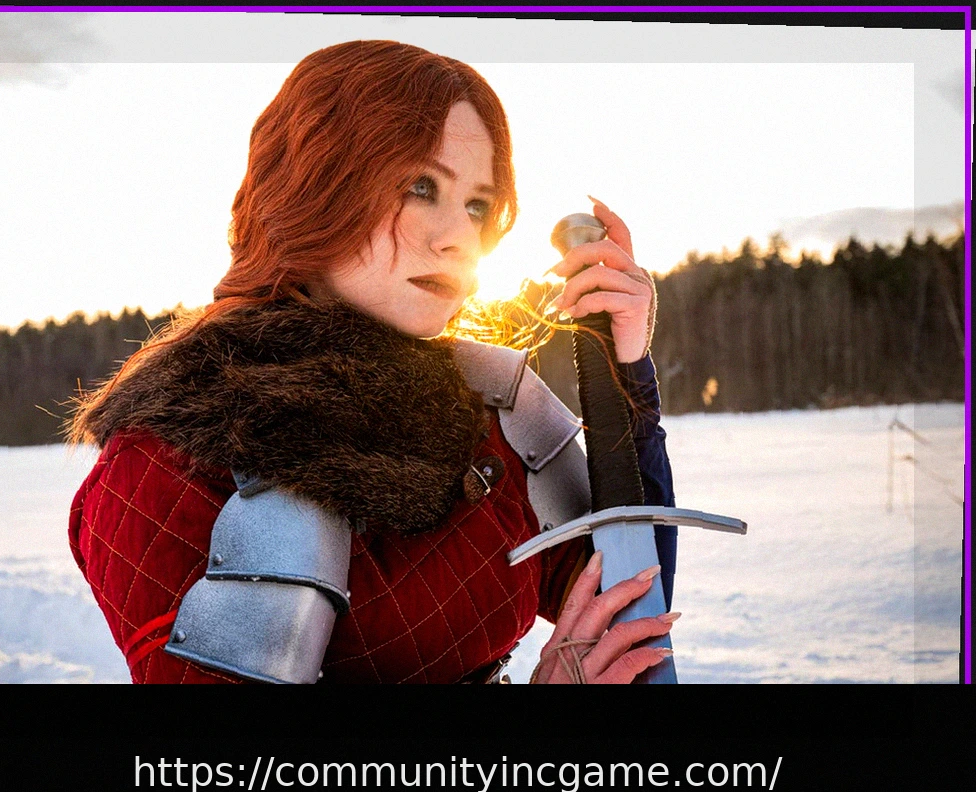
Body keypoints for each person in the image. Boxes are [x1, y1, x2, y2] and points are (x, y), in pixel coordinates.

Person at [66, 40, 677, 684]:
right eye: (421, 186)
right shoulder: (168, 459)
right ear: (316, 186)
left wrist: (622, 367)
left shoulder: (491, 407)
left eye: (476, 205)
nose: (460, 238)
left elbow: (629, 598)